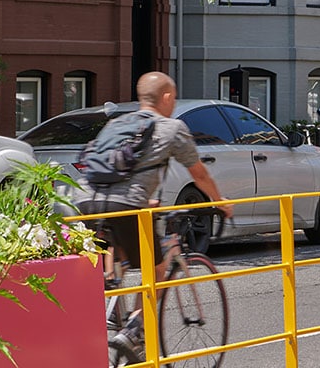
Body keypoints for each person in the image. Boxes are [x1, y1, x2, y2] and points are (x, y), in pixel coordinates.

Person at [75, 72, 234, 347]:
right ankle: (135, 330)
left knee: (119, 247)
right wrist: (220, 202)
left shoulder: (118, 123)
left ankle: (114, 304)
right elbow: (200, 175)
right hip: (126, 205)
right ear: (167, 97)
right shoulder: (172, 127)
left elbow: (115, 168)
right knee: (157, 269)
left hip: (86, 201)